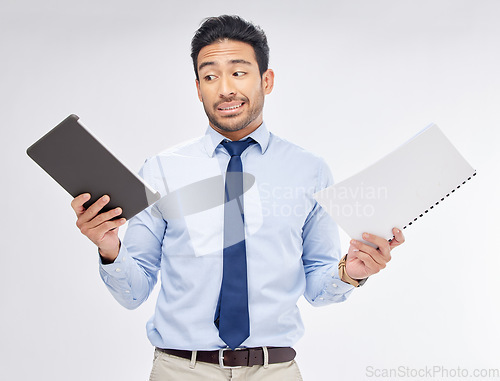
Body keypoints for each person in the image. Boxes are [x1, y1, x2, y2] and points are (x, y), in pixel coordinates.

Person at [71, 15, 405, 380]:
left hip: (273, 371)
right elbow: (133, 293)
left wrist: (351, 274)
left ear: (267, 80)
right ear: (198, 89)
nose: (225, 89)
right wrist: (109, 248)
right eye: (210, 76)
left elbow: (317, 289)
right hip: (181, 370)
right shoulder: (160, 170)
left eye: (239, 72)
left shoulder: (309, 170)